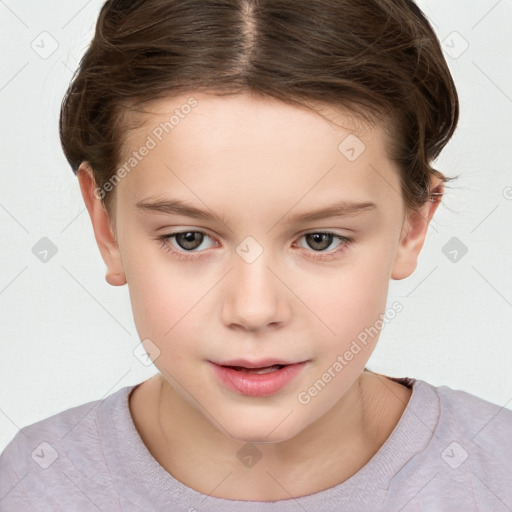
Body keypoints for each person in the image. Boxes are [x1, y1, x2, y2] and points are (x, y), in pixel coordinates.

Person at [1, 0, 510, 510]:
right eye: (189, 239)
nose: (254, 309)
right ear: (105, 224)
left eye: (320, 240)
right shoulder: (33, 485)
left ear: (412, 226)